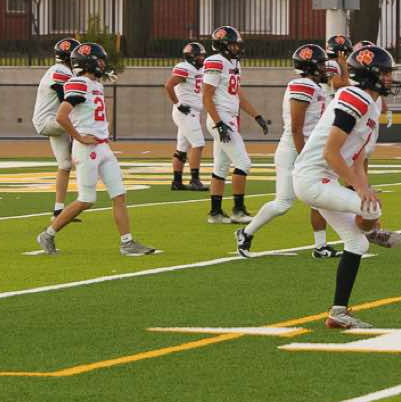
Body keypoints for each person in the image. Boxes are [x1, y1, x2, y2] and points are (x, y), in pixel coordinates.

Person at [294, 42, 401, 330]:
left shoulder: (370, 105)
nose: (389, 78)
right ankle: (373, 230)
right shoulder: (355, 98)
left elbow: (357, 161)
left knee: (357, 242)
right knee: (371, 208)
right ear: (370, 74)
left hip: (323, 179)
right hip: (311, 178)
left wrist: (363, 187)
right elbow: (331, 152)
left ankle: (338, 313)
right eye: (385, 72)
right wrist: (360, 191)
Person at [36, 42, 159, 258]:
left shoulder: (96, 85)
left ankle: (127, 242)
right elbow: (61, 116)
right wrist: (79, 137)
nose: (103, 64)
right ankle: (48, 234)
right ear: (88, 62)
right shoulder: (78, 83)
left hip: (103, 146)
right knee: (86, 200)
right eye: (99, 60)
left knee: (119, 194)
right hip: (87, 149)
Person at [236, 43, 335, 258]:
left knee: (319, 197)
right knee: (283, 203)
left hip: (309, 148)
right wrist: (304, 156)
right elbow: (296, 128)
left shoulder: (316, 86)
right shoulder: (302, 85)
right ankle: (246, 233)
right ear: (310, 66)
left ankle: (320, 246)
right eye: (320, 64)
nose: (324, 68)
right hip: (294, 149)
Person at [200, 25, 268, 224]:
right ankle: (238, 210)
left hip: (228, 118)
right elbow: (206, 96)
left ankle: (215, 213)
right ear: (223, 45)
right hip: (220, 118)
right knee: (243, 163)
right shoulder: (215, 61)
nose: (238, 48)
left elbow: (237, 93)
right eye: (233, 45)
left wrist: (256, 115)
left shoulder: (233, 63)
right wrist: (219, 123)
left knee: (221, 167)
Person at [34, 38, 79, 216]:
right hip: (50, 121)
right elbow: (66, 99)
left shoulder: (59, 70)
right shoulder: (61, 71)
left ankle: (58, 210)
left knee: (65, 165)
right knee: (84, 123)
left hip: (53, 121)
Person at [167, 40, 210, 192]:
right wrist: (178, 104)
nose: (202, 58)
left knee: (182, 148)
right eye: (199, 56)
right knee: (198, 144)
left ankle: (177, 181)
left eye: (203, 56)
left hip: (192, 112)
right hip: (185, 111)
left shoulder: (199, 69)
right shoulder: (184, 68)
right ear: (191, 56)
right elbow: (168, 85)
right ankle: (195, 180)